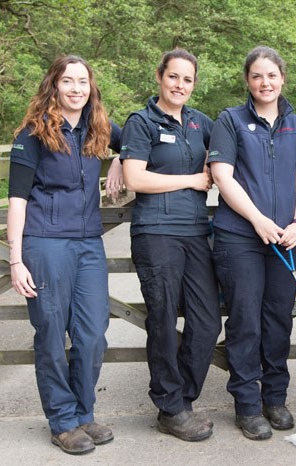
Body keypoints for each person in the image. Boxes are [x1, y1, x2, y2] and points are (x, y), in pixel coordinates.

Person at [7, 55, 123, 455]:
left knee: (92, 334)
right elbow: (17, 200)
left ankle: (84, 412)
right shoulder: (32, 134)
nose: (77, 89)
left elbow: (137, 141)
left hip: (89, 243)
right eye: (68, 81)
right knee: (53, 334)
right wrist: (16, 258)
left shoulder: (99, 127)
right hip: (44, 243)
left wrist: (121, 159)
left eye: (83, 82)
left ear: (91, 88)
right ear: (54, 85)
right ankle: (63, 421)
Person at [208, 46, 296, 441]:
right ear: (247, 81)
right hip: (240, 237)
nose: (265, 83)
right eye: (257, 76)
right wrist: (257, 220)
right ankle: (247, 405)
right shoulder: (230, 120)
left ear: (282, 78)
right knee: (244, 320)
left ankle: (275, 398)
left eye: (271, 75)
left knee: (278, 319)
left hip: (287, 240)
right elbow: (223, 175)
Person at [120, 49, 221, 442]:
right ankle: (170, 406)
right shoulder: (141, 122)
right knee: (162, 318)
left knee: (208, 319)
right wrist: (192, 180)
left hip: (196, 231)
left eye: (188, 79)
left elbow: (230, 152)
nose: (180, 85)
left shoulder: (201, 123)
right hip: (155, 232)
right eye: (173, 77)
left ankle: (183, 397)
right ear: (160, 77)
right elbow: (136, 179)